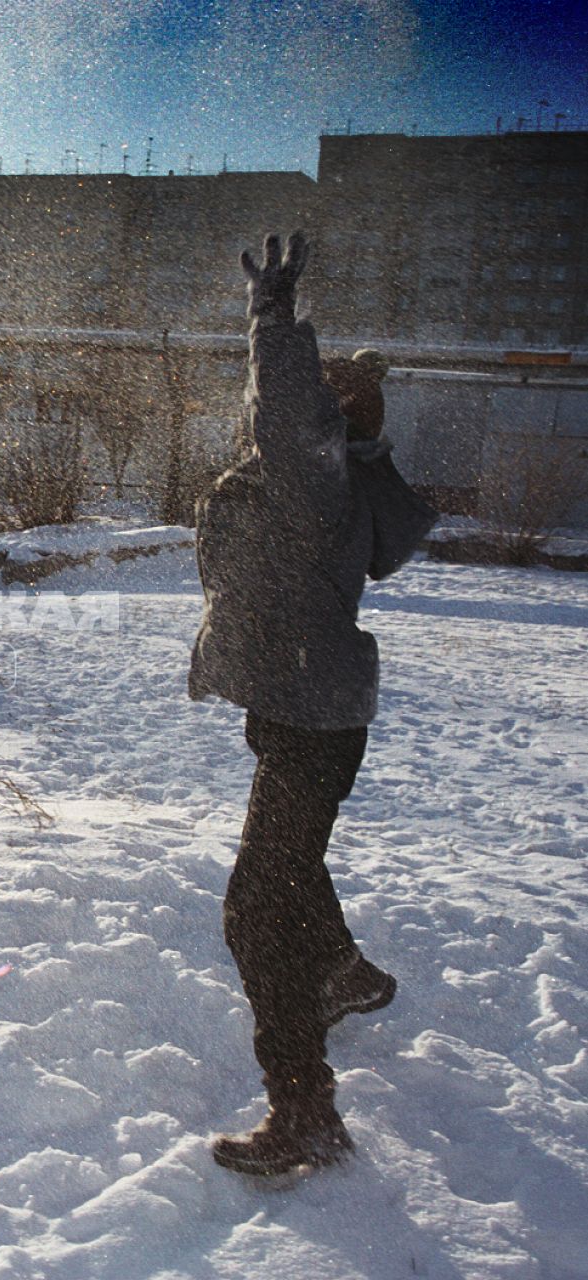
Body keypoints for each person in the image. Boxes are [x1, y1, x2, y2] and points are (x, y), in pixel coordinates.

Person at [190, 232, 437, 1176]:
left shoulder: (315, 472)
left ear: (328, 419)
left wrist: (271, 311)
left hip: (309, 718)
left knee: (255, 910)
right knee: (287, 870)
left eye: (320, 389)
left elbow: (286, 404)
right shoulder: (330, 479)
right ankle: (339, 968)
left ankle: (305, 1112)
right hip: (305, 710)